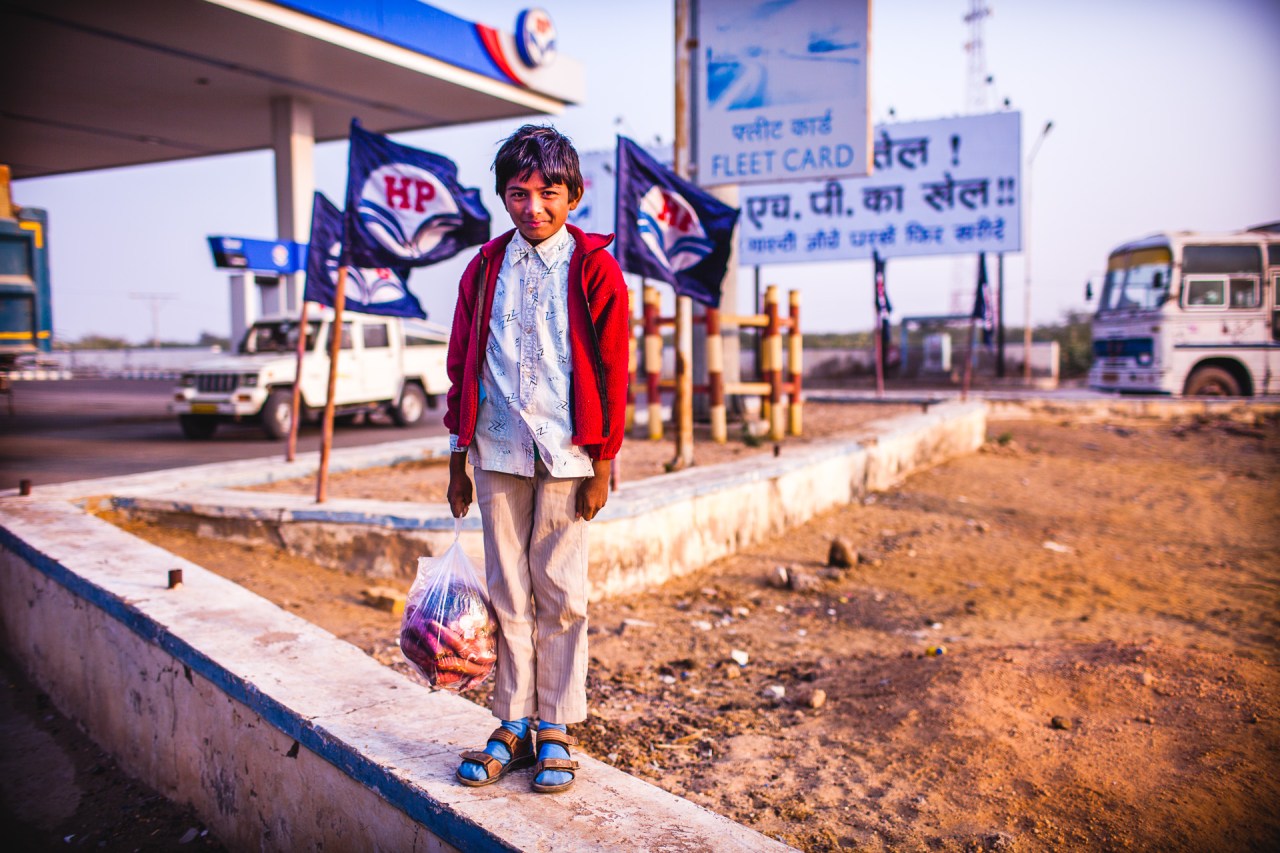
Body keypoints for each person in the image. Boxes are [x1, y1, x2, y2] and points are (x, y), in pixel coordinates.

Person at [443, 124, 629, 794]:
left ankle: (556, 723)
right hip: (495, 447)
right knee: (507, 591)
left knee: (560, 590)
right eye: (518, 193)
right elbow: (463, 360)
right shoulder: (486, 267)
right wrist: (457, 455)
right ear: (503, 196)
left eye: (548, 191)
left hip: (570, 454)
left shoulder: (594, 269)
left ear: (574, 194)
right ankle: (513, 718)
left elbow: (614, 370)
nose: (533, 207)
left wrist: (603, 461)